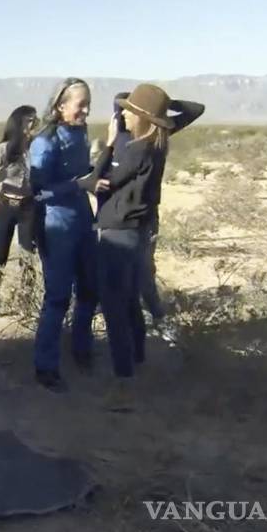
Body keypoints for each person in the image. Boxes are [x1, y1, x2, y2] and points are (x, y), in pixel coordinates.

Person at [85, 84, 205, 410]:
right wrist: (159, 110)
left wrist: (107, 147)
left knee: (114, 309)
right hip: (136, 231)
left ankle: (124, 383)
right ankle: (136, 358)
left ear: (142, 118)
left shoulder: (135, 148)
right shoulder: (155, 142)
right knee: (130, 300)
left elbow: (98, 182)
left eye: (127, 109)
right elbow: (195, 109)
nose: (120, 113)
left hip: (118, 233)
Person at [104, 91, 204, 342]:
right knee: (130, 272)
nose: (124, 113)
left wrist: (158, 106)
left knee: (141, 272)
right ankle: (141, 321)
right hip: (130, 217)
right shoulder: (136, 137)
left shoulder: (146, 137)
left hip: (138, 217)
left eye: (130, 109)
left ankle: (156, 319)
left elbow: (196, 108)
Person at [28, 77, 98, 393]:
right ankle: (46, 366)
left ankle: (81, 348)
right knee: (57, 297)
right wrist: (77, 186)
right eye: (80, 104)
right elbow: (38, 191)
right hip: (57, 227)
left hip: (84, 221)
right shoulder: (45, 141)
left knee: (89, 290)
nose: (85, 111)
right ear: (60, 106)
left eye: (88, 105)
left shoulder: (80, 134)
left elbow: (83, 173)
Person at [0, 104, 39, 318]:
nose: (33, 123)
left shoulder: (38, 148)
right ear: (18, 122)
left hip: (29, 207)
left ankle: (27, 301)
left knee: (28, 256)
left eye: (35, 119)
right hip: (5, 206)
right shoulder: (3, 149)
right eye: (28, 119)